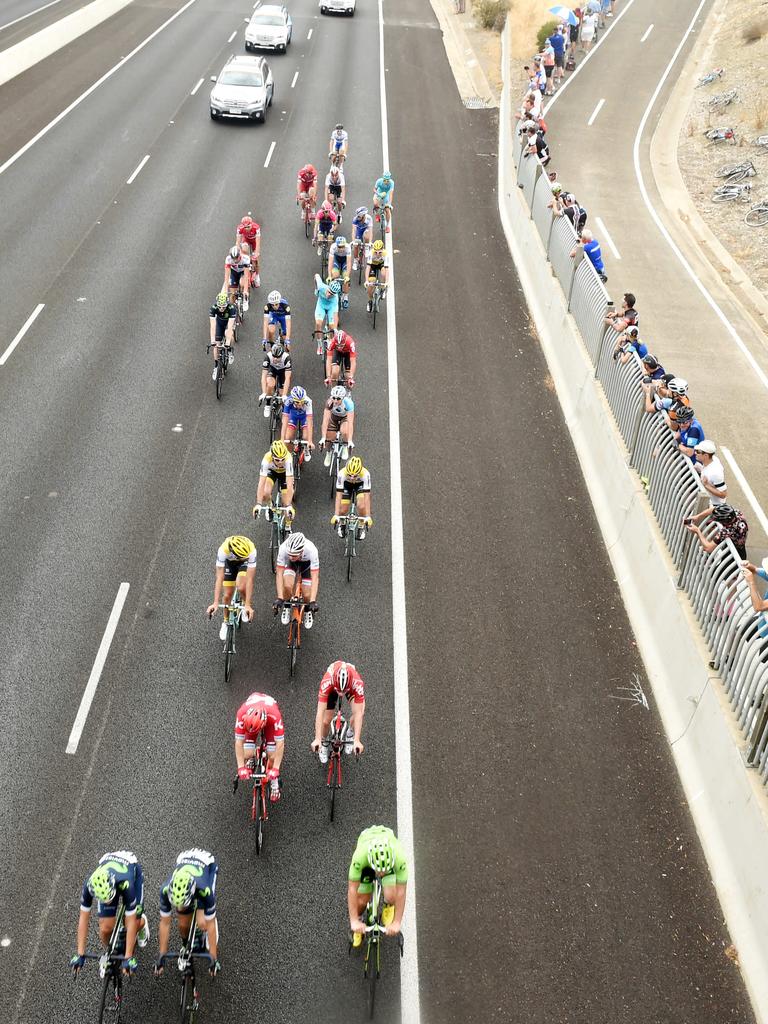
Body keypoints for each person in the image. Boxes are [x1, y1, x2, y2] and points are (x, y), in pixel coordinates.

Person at [71, 852, 149, 976]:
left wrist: (128, 957)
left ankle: (143, 924)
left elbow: (131, 919)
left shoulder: (126, 883)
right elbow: (83, 918)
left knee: (133, 923)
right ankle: (111, 952)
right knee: (105, 928)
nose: (108, 903)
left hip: (131, 873)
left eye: (109, 899)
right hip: (108, 882)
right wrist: (80, 953)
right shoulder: (89, 885)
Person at [155, 850, 220, 978]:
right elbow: (165, 923)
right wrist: (161, 955)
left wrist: (213, 958)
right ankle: (185, 946)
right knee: (183, 925)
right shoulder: (165, 889)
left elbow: (210, 925)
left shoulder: (204, 890)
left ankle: (208, 915)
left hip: (207, 866)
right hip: (185, 864)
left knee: (203, 922)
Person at [347, 826, 408, 947]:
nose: (380, 874)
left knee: (392, 895)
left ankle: (388, 905)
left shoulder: (400, 858)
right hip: (367, 855)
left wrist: (397, 922)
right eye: (379, 871)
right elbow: (352, 890)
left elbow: (402, 892)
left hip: (386, 855)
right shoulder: (360, 857)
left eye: (383, 872)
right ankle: (360, 919)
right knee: (362, 900)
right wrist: (354, 921)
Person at [311, 660, 366, 763]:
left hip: (350, 687)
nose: (341, 694)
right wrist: (318, 738)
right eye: (339, 691)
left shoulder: (357, 683)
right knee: (326, 721)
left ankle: (350, 734)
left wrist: (357, 740)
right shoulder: (327, 681)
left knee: (360, 712)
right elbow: (320, 712)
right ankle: (325, 742)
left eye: (343, 692)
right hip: (332, 687)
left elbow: (358, 714)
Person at [234, 692, 285, 802]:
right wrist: (241, 767)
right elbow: (239, 743)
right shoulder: (241, 714)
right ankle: (252, 758)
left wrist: (275, 769)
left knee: (272, 756)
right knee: (246, 753)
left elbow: (280, 744)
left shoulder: (275, 716)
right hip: (251, 721)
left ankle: (274, 782)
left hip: (269, 720)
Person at [205, 536, 256, 639]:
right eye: (242, 556)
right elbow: (219, 578)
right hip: (229, 563)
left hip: (244, 564)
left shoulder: (251, 550)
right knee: (227, 596)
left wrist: (248, 604)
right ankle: (225, 621)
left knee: (241, 586)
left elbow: (250, 579)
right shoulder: (223, 550)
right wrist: (215, 602)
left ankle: (244, 604)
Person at [274, 531, 320, 628]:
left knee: (307, 594)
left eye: (294, 555)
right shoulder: (283, 548)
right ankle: (287, 606)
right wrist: (280, 598)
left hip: (306, 564)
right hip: (291, 564)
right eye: (289, 554)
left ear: (302, 551)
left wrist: (312, 601)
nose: (291, 556)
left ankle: (307, 610)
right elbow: (279, 574)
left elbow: (315, 577)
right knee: (287, 586)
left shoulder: (312, 550)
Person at [253, 439, 295, 519]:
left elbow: (289, 484)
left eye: (282, 459)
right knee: (265, 493)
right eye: (277, 460)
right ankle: (270, 505)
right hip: (272, 472)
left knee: (286, 503)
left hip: (284, 474)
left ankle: (287, 526)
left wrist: (288, 505)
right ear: (272, 456)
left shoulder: (288, 459)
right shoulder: (266, 459)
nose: (280, 462)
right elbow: (261, 483)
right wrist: (258, 503)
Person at [332, 455, 372, 538]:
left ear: (360, 471)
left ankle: (361, 526)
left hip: (359, 485)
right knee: (342, 510)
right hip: (346, 485)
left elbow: (367, 497)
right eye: (350, 475)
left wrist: (368, 516)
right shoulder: (341, 474)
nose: (352, 478)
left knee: (361, 506)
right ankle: (342, 524)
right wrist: (336, 515)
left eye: (355, 475)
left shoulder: (365, 474)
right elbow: (338, 496)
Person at [321, 385, 355, 465]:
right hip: (333, 417)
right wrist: (323, 437)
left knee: (345, 432)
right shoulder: (329, 403)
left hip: (345, 417)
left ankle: (344, 446)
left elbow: (350, 423)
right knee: (329, 438)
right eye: (333, 398)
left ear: (343, 398)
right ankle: (328, 452)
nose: (335, 401)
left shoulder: (349, 403)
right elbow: (325, 421)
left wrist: (349, 440)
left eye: (338, 398)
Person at [281, 385, 315, 461]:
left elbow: (309, 421)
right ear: (293, 399)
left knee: (305, 437)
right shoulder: (288, 401)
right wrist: (282, 439)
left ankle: (306, 449)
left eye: (302, 402)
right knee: (288, 437)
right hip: (293, 415)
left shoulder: (308, 401)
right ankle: (289, 454)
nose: (300, 404)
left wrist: (309, 441)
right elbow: (285, 421)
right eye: (297, 402)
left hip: (304, 416)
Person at [260, 341, 292, 418]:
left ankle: (284, 410)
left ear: (282, 355)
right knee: (270, 384)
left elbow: (287, 378)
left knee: (282, 393)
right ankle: (267, 404)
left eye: (278, 357)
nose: (275, 359)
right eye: (274, 356)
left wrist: (284, 395)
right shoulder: (268, 357)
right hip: (272, 369)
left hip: (282, 371)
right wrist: (264, 392)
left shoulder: (287, 358)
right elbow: (263, 376)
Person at [209, 292, 237, 380]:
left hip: (228, 324)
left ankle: (230, 351)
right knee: (216, 345)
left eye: (223, 307)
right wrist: (212, 341)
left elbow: (230, 326)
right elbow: (213, 326)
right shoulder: (213, 308)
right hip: (219, 324)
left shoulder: (232, 308)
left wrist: (228, 342)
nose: (221, 308)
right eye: (219, 307)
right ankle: (216, 366)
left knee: (229, 335)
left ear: (227, 304)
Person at [693, 439, 727, 506]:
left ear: (706, 455)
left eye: (698, 452)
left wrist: (706, 485)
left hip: (713, 505)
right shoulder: (712, 459)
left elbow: (723, 494)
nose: (695, 453)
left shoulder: (715, 473)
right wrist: (701, 469)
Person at [236, 214, 261, 289]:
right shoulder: (239, 228)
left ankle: (257, 275)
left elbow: (258, 242)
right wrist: (239, 252)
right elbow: (237, 242)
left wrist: (256, 253)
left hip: (254, 241)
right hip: (246, 239)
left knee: (256, 259)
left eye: (248, 227)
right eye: (245, 227)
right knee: (244, 249)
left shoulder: (256, 227)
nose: (247, 228)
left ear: (251, 224)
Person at [314, 274, 341, 341]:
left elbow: (335, 314)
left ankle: (330, 342)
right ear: (327, 287)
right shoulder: (321, 286)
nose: (329, 295)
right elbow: (316, 275)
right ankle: (319, 343)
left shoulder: (335, 299)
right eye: (329, 292)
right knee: (318, 324)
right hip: (321, 306)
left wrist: (335, 329)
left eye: (332, 294)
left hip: (331, 308)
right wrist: (316, 288)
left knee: (332, 328)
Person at [328, 236, 352, 309]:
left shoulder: (348, 247)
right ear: (336, 245)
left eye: (343, 247)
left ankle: (345, 296)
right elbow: (330, 262)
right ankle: (335, 292)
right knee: (335, 274)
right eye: (339, 247)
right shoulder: (333, 247)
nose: (341, 248)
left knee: (345, 278)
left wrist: (347, 276)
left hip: (345, 260)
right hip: (336, 259)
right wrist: (329, 275)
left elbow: (349, 263)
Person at [365, 240, 389, 311]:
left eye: (380, 252)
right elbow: (368, 268)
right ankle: (370, 300)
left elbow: (387, 269)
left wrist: (386, 282)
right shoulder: (370, 253)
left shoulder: (385, 254)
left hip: (381, 264)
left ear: (383, 250)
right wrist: (366, 281)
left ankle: (383, 289)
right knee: (371, 283)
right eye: (376, 252)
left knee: (383, 273)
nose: (378, 254)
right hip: (372, 265)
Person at [549, 24, 567, 89]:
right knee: (559, 66)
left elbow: (549, 45)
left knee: (553, 66)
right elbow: (563, 42)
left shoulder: (551, 38)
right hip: (560, 53)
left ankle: (552, 78)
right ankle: (558, 78)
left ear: (553, 31)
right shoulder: (561, 37)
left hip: (553, 54)